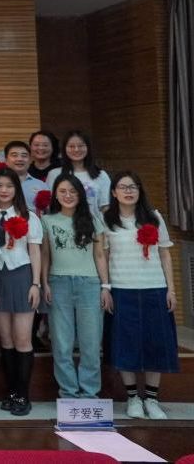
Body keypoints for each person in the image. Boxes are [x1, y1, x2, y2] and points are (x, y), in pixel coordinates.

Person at [102, 171, 178, 420]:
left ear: (139, 190)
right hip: (122, 290)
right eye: (123, 187)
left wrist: (171, 289)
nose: (129, 191)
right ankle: (133, 397)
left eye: (133, 186)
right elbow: (102, 255)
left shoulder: (153, 217)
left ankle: (152, 399)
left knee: (156, 344)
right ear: (114, 192)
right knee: (126, 345)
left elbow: (165, 253)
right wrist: (106, 287)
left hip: (154, 288)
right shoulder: (106, 219)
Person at [0, 167, 43, 416]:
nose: (4, 190)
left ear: (16, 189)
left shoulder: (29, 217)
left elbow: (35, 251)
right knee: (5, 340)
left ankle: (23, 394)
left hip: (21, 276)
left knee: (23, 339)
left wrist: (35, 283)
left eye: (9, 186)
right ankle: (11, 392)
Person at [41, 174, 107, 400]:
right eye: (62, 191)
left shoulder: (93, 220)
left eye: (73, 191)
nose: (67, 195)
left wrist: (105, 286)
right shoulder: (47, 220)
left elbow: (100, 255)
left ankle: (89, 394)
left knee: (91, 343)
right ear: (55, 195)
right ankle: (68, 394)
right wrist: (44, 283)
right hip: (58, 283)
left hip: (90, 284)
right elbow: (45, 255)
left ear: (80, 195)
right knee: (62, 343)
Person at [47, 130, 111, 220]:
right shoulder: (54, 174)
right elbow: (50, 205)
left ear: (88, 147)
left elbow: (105, 207)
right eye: (71, 146)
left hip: (93, 225)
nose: (76, 149)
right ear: (64, 149)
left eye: (81, 146)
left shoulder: (101, 175)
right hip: (62, 225)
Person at [5, 140, 49, 214]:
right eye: (14, 155)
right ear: (6, 160)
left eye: (24, 156)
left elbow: (47, 213)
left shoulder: (42, 185)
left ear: (30, 160)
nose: (19, 159)